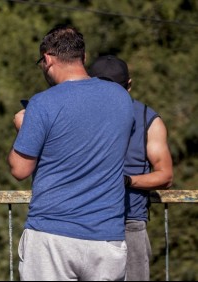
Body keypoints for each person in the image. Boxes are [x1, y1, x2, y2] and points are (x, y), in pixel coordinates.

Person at [7, 25, 134, 281]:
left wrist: (25, 128)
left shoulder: (43, 103)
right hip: (106, 236)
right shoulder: (121, 98)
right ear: (84, 58)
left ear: (47, 59)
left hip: (52, 235)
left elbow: (19, 169)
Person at [88, 55, 173, 281]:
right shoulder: (148, 118)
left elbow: (165, 177)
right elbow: (165, 175)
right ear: (129, 84)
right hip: (88, 221)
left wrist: (127, 180)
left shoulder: (147, 119)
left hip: (125, 222)